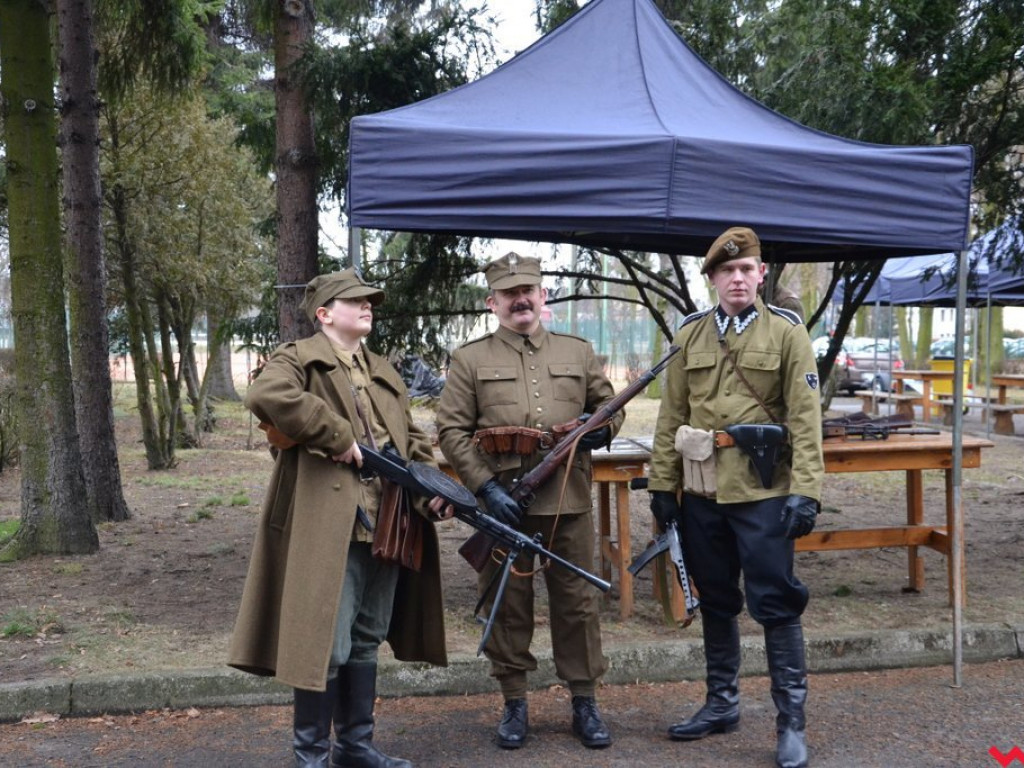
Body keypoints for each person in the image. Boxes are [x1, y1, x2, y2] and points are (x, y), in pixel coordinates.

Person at [228, 269, 450, 768]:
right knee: (327, 640)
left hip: (390, 520)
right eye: (355, 300)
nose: (368, 305)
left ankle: (354, 747)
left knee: (368, 635)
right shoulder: (299, 358)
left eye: (370, 300)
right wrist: (338, 435)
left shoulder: (383, 370)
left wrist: (434, 490)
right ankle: (312, 755)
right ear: (325, 313)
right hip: (332, 522)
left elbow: (411, 442)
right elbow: (267, 397)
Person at [647, 227, 824, 768]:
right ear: (714, 279)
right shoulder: (690, 335)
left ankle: (791, 723)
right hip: (702, 491)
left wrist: (807, 492)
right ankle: (721, 703)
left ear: (761, 274)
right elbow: (671, 414)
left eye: (747, 269)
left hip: (765, 492)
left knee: (774, 600)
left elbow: (806, 418)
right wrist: (661, 484)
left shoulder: (788, 334)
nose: (738, 278)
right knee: (716, 597)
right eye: (728, 271)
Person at [435, 252, 623, 751]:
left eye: (529, 290)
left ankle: (584, 700)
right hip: (504, 507)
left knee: (579, 604)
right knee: (508, 605)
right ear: (492, 302)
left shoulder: (578, 351)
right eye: (509, 293)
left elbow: (608, 409)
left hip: (569, 501)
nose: (521, 299)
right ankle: (514, 701)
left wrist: (595, 433)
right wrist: (486, 488)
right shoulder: (470, 359)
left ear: (543, 296)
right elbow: (451, 430)